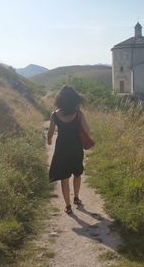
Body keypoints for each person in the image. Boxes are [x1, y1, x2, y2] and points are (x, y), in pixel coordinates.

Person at [47, 85, 90, 215]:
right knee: (77, 173)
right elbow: (87, 130)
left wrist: (49, 141)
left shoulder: (54, 115)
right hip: (76, 147)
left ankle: (68, 206)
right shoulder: (79, 114)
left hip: (61, 148)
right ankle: (76, 197)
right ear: (75, 100)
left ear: (59, 100)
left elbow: (50, 132)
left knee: (64, 178)